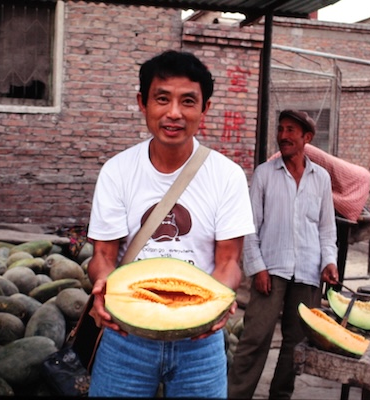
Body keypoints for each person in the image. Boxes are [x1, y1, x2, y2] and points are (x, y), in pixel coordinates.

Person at [85, 50, 255, 398]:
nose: (174, 113)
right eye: (162, 99)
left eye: (188, 101)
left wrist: (219, 301)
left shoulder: (227, 176)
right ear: (142, 103)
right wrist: (103, 286)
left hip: (200, 341)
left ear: (205, 108)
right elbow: (103, 255)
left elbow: (228, 262)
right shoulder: (117, 172)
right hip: (126, 336)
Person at [227, 109, 339, 399]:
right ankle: (236, 394)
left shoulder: (321, 179)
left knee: (296, 342)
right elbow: (250, 227)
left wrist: (329, 261)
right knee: (255, 337)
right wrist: (257, 268)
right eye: (281, 129)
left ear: (307, 138)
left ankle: (281, 395)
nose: (283, 136)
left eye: (291, 130)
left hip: (308, 270)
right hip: (271, 270)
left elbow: (327, 229)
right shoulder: (265, 174)